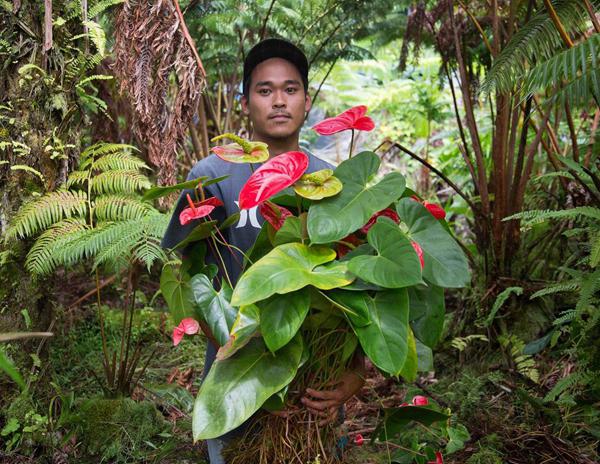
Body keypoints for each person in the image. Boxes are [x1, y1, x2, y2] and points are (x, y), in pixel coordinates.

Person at [162, 38, 365, 464]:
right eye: (264, 89)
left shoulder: (331, 181)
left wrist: (354, 373)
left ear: (306, 101)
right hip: (238, 368)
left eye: (290, 89)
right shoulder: (212, 174)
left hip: (313, 380)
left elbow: (355, 285)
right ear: (245, 101)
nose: (279, 101)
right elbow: (191, 275)